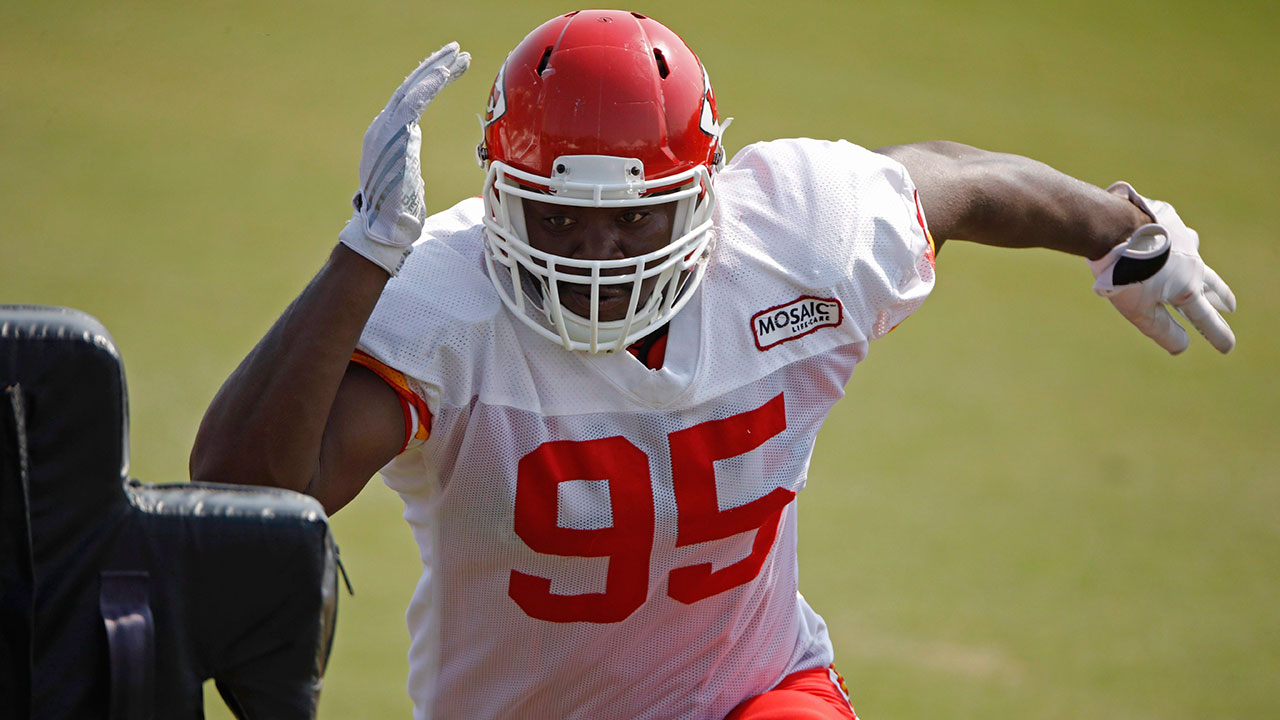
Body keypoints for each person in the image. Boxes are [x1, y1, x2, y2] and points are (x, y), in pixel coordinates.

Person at [190, 10, 1235, 720]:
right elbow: (248, 498)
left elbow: (955, 185)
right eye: (559, 216)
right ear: (499, 194)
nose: (593, 253)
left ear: (704, 195)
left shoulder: (796, 242)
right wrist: (361, 257)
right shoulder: (443, 304)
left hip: (756, 693)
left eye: (630, 219)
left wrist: (1121, 228)